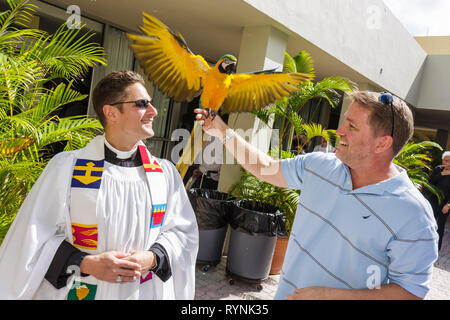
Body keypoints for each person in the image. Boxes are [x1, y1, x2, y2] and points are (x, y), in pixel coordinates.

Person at [194, 91, 438, 300]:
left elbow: (410, 292)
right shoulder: (320, 166)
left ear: (383, 144)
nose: (339, 131)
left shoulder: (413, 213)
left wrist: (332, 296)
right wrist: (223, 131)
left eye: (352, 126)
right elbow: (264, 166)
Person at [0, 71, 199, 300]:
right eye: (142, 104)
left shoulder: (164, 174)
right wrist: (86, 263)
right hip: (82, 289)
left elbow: (182, 233)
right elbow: (31, 239)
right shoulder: (67, 168)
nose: (154, 112)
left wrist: (153, 258)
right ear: (111, 112)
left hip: (141, 291)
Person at [429, 151, 450, 251]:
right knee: (429, 225)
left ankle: (436, 249)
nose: (448, 163)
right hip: (433, 202)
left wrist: (448, 205)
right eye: (446, 161)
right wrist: (442, 174)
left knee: (440, 228)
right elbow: (431, 181)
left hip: (445, 205)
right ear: (443, 161)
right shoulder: (438, 169)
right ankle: (426, 246)